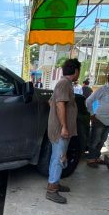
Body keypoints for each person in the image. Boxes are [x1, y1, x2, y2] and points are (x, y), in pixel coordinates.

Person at [46, 58, 80, 204]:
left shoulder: (64, 84)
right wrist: (64, 126)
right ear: (76, 71)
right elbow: (60, 105)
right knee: (59, 158)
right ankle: (52, 190)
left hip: (59, 127)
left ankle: (54, 182)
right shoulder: (64, 83)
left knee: (59, 157)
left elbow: (51, 102)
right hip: (60, 129)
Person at [85, 68, 109, 166]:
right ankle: (91, 159)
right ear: (108, 79)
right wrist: (92, 114)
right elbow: (89, 101)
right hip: (99, 119)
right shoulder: (102, 89)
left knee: (102, 141)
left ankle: (96, 157)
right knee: (95, 140)